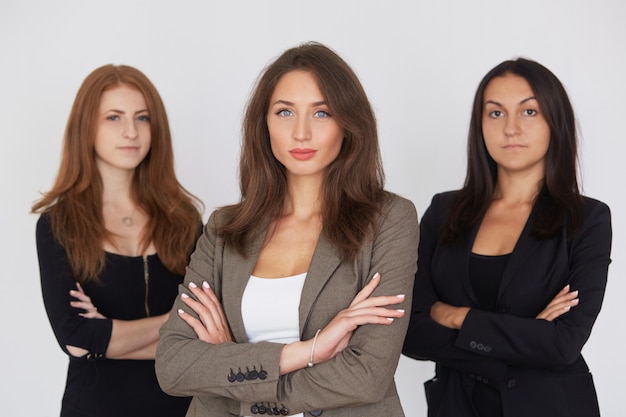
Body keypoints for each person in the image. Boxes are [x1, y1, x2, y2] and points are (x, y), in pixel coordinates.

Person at [155, 42, 419, 417]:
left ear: (349, 123)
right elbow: (173, 365)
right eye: (284, 112)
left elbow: (366, 374)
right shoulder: (225, 228)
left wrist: (230, 367)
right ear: (263, 124)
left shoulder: (389, 220)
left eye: (322, 113)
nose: (301, 133)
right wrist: (308, 351)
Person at [402, 58, 612, 417]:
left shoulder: (587, 219)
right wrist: (526, 335)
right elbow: (410, 332)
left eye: (529, 112)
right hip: (457, 406)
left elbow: (563, 343)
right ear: (480, 125)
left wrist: (457, 317)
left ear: (555, 122)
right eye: (495, 113)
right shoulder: (443, 212)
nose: (511, 128)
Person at [32, 64, 202, 417]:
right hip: (95, 407)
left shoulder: (184, 219)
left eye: (142, 118)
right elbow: (77, 338)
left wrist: (108, 337)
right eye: (113, 117)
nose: (131, 131)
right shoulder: (59, 224)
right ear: (86, 127)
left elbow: (212, 334)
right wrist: (177, 320)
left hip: (185, 408)